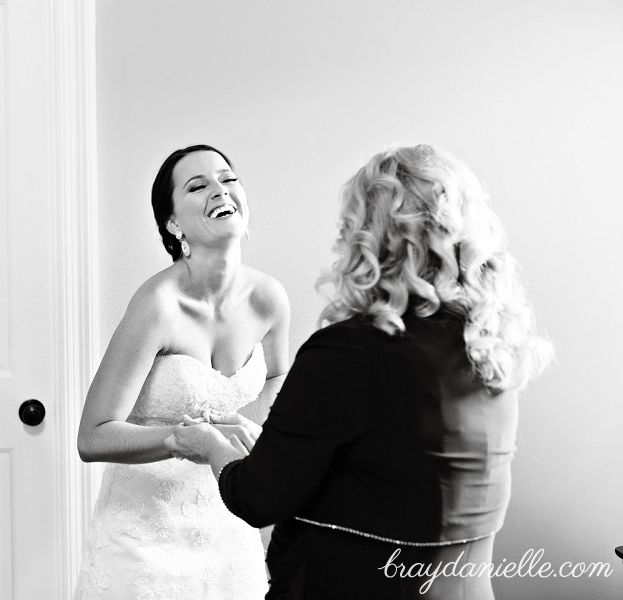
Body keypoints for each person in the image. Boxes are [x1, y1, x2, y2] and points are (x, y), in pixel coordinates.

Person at [168, 144, 553, 599]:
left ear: (370, 235)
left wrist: (209, 444)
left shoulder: (348, 352)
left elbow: (256, 498)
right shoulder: (488, 347)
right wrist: (275, 451)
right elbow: (391, 481)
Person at [74, 144, 290, 599]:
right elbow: (92, 437)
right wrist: (181, 439)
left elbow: (277, 378)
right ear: (173, 224)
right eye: (198, 185)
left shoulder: (269, 299)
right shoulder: (157, 305)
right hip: (143, 540)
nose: (219, 190)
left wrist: (241, 425)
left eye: (228, 179)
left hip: (229, 526)